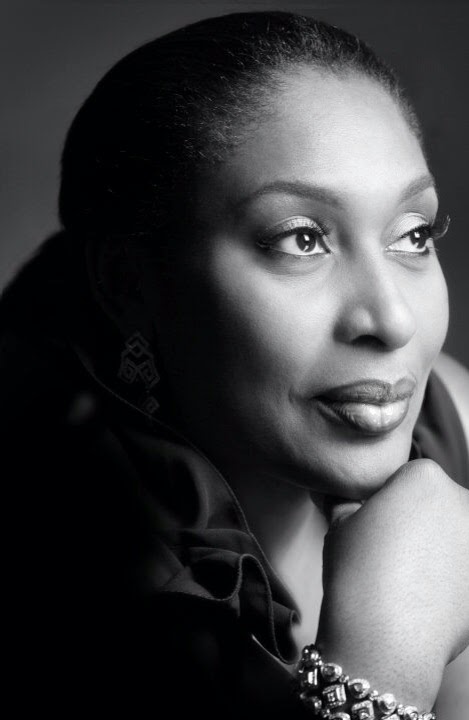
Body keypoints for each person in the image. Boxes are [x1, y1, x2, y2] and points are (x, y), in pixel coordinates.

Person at [2, 10, 468, 719]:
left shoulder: (453, 420)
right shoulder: (54, 579)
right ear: (128, 283)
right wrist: (383, 659)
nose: (392, 321)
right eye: (302, 239)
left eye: (412, 234)